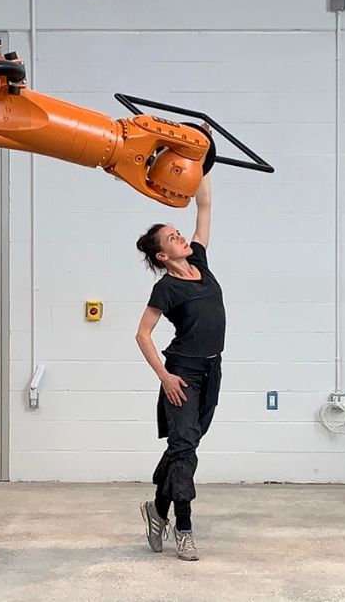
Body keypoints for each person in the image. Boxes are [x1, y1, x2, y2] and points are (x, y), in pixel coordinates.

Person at [134, 155, 225, 562]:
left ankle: (157, 507)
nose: (181, 238)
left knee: (182, 447)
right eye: (172, 238)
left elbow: (203, 206)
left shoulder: (199, 262)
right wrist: (165, 378)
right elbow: (142, 334)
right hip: (183, 374)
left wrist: (201, 158)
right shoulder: (166, 289)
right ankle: (183, 529)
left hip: (212, 369)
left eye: (177, 232)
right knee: (185, 449)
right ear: (161, 256)